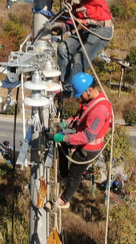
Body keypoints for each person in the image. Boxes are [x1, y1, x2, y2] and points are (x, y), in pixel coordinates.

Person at [47, 72, 113, 208]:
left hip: (88, 148)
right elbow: (79, 116)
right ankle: (64, 176)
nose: (79, 99)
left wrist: (65, 137)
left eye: (80, 95)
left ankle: (64, 200)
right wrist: (65, 124)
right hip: (83, 137)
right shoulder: (90, 100)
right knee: (63, 146)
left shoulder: (99, 109)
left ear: (88, 90)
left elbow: (88, 136)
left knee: (75, 174)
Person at [57, 0, 113, 95]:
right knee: (62, 48)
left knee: (79, 58)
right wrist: (60, 27)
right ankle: (66, 83)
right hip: (85, 30)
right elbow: (73, 21)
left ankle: (70, 90)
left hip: (101, 29)